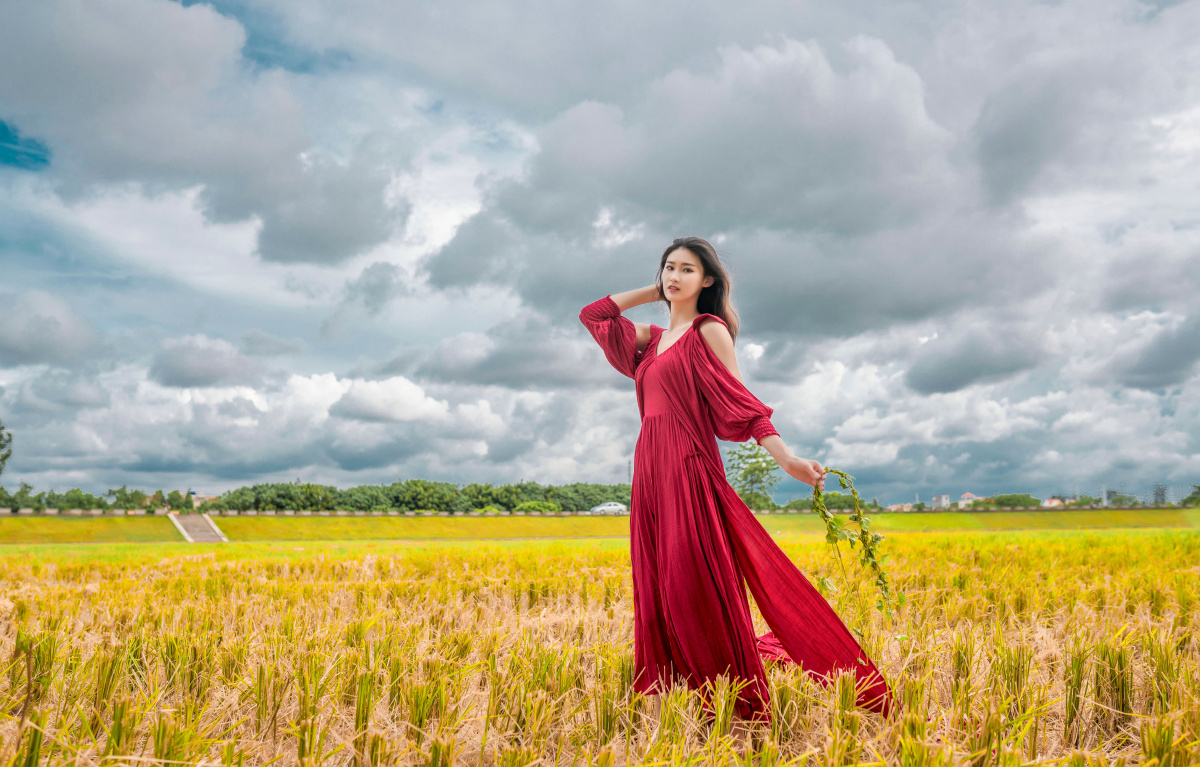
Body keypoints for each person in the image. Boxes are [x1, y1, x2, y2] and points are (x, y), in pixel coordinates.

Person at [578, 236, 895, 739]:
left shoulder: (710, 331)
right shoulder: (651, 339)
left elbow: (743, 403)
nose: (674, 275)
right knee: (655, 585)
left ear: (708, 281)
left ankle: (731, 700)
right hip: (649, 471)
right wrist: (656, 291)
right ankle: (662, 709)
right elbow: (593, 315)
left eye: (687, 269)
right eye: (668, 267)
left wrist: (787, 457)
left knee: (690, 580)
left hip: (687, 464)